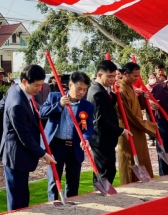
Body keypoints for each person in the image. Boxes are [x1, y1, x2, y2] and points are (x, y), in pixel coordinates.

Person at [0, 65, 56, 211]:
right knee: (18, 197)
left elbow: (1, 106)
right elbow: (24, 136)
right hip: (16, 154)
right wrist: (44, 154)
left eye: (41, 85)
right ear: (24, 82)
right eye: (36, 85)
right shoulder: (17, 105)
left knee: (22, 193)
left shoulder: (14, 89)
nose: (39, 89)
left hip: (20, 153)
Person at [39, 72, 94, 201]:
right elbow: (42, 112)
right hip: (56, 146)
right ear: (70, 85)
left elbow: (88, 127)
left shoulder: (87, 106)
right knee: (54, 180)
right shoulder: (54, 97)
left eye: (84, 89)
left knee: (73, 181)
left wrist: (86, 138)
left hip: (75, 147)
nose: (81, 92)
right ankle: (53, 206)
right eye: (79, 88)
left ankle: (72, 204)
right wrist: (59, 105)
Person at [86, 60, 130, 188]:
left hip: (105, 138)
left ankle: (102, 192)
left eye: (114, 76)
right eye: (109, 76)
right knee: (105, 169)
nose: (113, 79)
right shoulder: (97, 92)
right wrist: (121, 130)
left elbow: (108, 105)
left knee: (107, 168)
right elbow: (100, 120)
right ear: (99, 75)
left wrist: (114, 95)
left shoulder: (103, 89)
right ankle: (101, 195)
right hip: (101, 138)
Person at [116, 63, 157, 184]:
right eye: (134, 76)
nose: (136, 79)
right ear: (125, 74)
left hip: (137, 130)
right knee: (130, 162)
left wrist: (142, 99)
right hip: (128, 130)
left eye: (138, 76)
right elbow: (129, 115)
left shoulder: (129, 86)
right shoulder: (121, 89)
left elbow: (135, 106)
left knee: (141, 157)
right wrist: (150, 126)